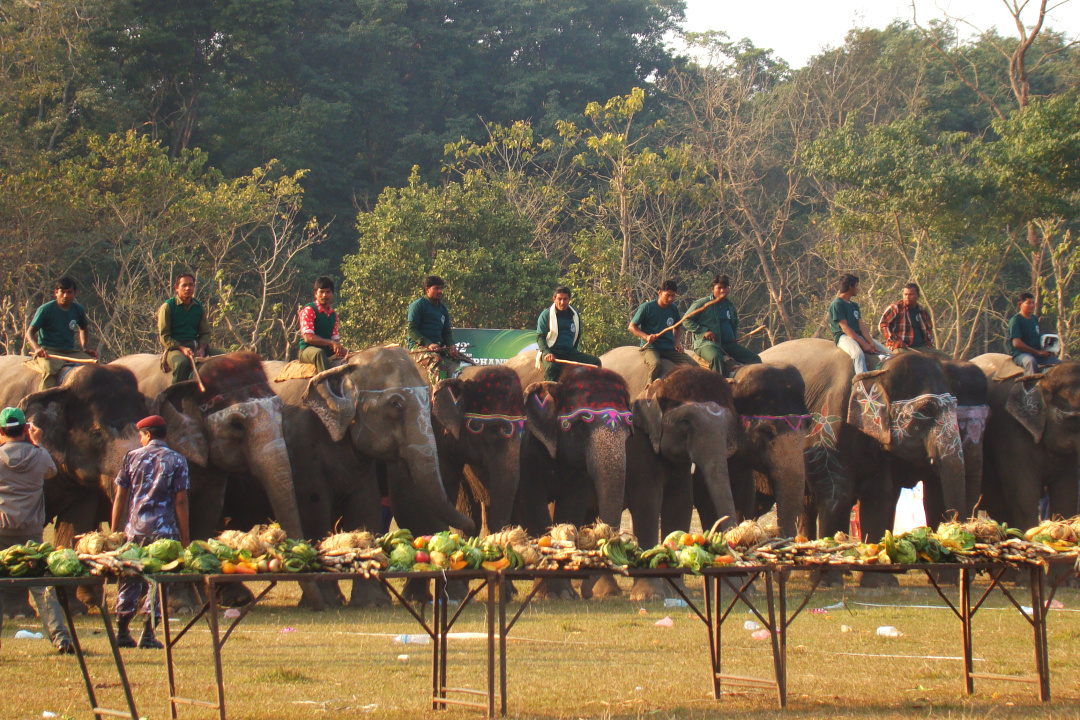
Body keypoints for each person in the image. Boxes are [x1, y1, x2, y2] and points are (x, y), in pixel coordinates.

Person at [110, 415, 190, 649]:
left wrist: (114, 531)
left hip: (135, 530)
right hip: (164, 532)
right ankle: (148, 634)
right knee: (157, 582)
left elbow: (120, 497)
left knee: (129, 578)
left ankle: (122, 632)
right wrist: (185, 536)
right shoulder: (178, 460)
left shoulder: (131, 457)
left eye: (140, 435)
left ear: (146, 435)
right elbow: (181, 501)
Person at [0, 407, 74, 655]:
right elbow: (52, 471)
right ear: (25, 429)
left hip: (1, 529)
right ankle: (61, 638)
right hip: (31, 531)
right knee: (42, 587)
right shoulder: (39, 455)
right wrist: (38, 442)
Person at [682, 274, 761, 376]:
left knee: (755, 359)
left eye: (725, 288)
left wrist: (733, 337)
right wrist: (704, 331)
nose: (722, 291)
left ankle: (739, 371)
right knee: (716, 357)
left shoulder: (730, 306)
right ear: (712, 289)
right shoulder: (702, 303)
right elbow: (686, 320)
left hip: (728, 345)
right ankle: (720, 384)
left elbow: (734, 324)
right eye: (719, 288)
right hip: (707, 344)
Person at [25, 277, 96, 390]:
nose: (65, 296)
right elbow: (30, 332)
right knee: (50, 372)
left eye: (69, 292)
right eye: (62, 292)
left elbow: (83, 328)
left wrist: (85, 347)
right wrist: (37, 348)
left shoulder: (78, 309)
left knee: (98, 367)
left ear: (75, 293)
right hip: (49, 351)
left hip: (70, 351)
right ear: (56, 292)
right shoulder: (46, 309)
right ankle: (43, 403)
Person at [628, 280, 696, 382]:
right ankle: (649, 388)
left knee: (694, 365)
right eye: (667, 295)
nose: (670, 299)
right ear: (659, 292)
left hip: (668, 347)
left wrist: (676, 343)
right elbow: (632, 327)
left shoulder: (673, 309)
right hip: (650, 347)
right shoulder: (647, 307)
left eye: (673, 296)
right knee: (656, 365)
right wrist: (646, 337)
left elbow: (677, 328)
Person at [158, 273, 216, 384]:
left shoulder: (198, 307)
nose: (188, 288)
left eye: (191, 285)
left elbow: (205, 332)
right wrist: (181, 348)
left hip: (195, 346)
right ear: (176, 288)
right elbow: (164, 336)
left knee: (226, 359)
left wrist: (202, 349)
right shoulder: (168, 307)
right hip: (175, 349)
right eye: (184, 285)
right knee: (181, 364)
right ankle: (175, 397)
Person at [828, 273, 889, 375]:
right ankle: (862, 382)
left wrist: (871, 343)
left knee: (888, 353)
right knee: (858, 354)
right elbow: (845, 328)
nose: (858, 289)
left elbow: (862, 326)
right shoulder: (837, 304)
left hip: (858, 335)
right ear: (850, 287)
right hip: (844, 337)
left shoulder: (854, 305)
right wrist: (864, 344)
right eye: (856, 286)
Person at [536, 287, 601, 382]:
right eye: (559, 299)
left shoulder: (575, 315)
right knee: (552, 368)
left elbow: (577, 336)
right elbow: (540, 337)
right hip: (552, 351)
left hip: (570, 352)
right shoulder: (546, 315)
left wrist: (574, 352)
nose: (562, 302)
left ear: (569, 299)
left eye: (565, 299)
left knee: (595, 362)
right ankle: (548, 394)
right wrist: (547, 352)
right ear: (554, 299)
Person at [407, 275, 461, 382]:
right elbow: (412, 330)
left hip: (439, 348)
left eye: (441, 288)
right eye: (436, 288)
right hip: (419, 348)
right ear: (427, 290)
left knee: (459, 361)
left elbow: (446, 332)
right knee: (437, 362)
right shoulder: (418, 305)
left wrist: (451, 345)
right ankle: (439, 392)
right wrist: (428, 344)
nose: (440, 291)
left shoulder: (443, 309)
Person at [297, 277, 348, 373]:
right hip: (307, 350)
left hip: (327, 350)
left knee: (352, 354)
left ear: (332, 294)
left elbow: (335, 339)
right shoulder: (309, 310)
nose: (325, 295)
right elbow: (308, 338)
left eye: (328, 292)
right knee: (319, 353)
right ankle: (327, 383)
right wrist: (331, 343)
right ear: (315, 293)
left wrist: (340, 348)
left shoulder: (333, 315)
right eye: (322, 292)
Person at [1008, 292, 1060, 376]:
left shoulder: (1034, 318)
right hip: (1021, 354)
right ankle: (1029, 387)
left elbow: (1036, 337)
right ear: (1020, 304)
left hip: (1037, 353)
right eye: (1028, 303)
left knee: (1059, 364)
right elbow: (1017, 344)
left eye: (1033, 303)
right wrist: (1037, 352)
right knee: (1031, 362)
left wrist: (1048, 351)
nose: (1032, 305)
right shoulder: (1016, 320)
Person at [879, 282, 936, 353]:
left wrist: (929, 342)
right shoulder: (895, 308)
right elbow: (883, 325)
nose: (907, 297)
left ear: (918, 296)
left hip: (921, 347)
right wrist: (894, 341)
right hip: (902, 347)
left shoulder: (922, 310)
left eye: (911, 294)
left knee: (944, 357)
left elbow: (929, 328)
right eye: (905, 294)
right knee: (904, 360)